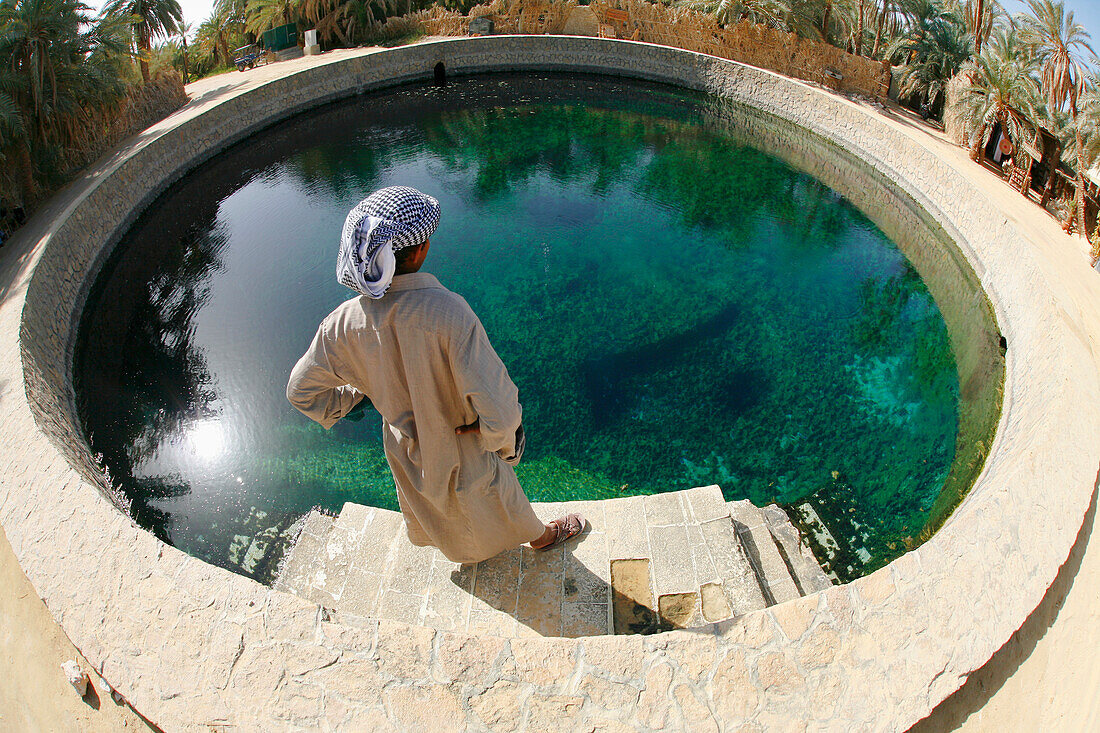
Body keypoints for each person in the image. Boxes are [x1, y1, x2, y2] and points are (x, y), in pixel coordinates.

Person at [287, 186, 584, 564]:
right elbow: (503, 411)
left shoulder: (342, 323)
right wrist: (502, 444)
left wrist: (358, 390)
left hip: (405, 447)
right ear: (421, 249)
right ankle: (544, 537)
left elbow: (300, 391)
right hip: (459, 445)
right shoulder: (450, 315)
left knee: (437, 511)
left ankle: (472, 552)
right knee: (498, 499)